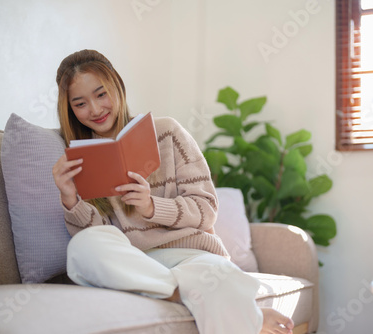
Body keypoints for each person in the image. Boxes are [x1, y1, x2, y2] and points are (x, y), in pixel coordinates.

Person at [52, 49, 294, 334]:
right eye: (80, 103)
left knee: (219, 277)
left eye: (101, 94)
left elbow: (206, 212)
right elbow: (101, 239)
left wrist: (151, 206)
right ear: (70, 110)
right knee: (82, 249)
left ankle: (205, 293)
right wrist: (70, 199)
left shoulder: (167, 133)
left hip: (193, 256)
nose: (94, 109)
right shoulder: (80, 156)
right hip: (137, 263)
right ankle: (198, 297)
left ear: (117, 86)